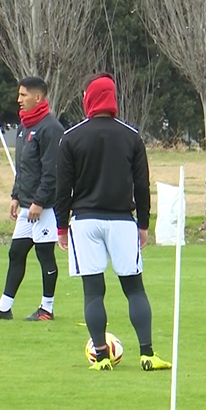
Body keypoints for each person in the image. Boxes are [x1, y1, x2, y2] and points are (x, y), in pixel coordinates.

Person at [55, 72, 171, 372]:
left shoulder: (71, 137)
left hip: (85, 222)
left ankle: (102, 357)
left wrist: (61, 226)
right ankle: (147, 353)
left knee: (94, 291)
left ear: (88, 99)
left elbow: (62, 187)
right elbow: (142, 184)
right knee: (134, 289)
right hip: (122, 221)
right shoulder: (131, 136)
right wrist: (143, 224)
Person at [0, 76, 63, 322]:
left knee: (45, 255)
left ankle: (47, 309)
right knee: (16, 253)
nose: (19, 100)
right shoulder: (25, 127)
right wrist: (16, 196)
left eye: (23, 95)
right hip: (26, 205)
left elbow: (52, 170)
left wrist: (39, 202)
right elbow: (23, 168)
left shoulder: (51, 128)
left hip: (43, 207)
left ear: (38, 97)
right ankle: (4, 307)